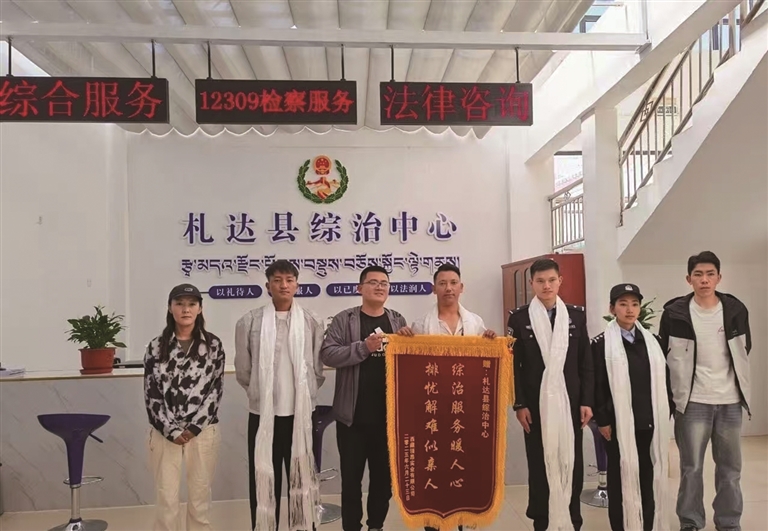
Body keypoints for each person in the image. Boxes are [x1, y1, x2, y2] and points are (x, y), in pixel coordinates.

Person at [397, 263, 495, 531]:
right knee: (434, 469)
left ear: (461, 287)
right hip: (433, 413)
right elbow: (412, 369)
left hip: (465, 411)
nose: (448, 288)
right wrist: (405, 339)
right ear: (434, 289)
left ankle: (463, 521)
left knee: (463, 466)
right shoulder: (421, 325)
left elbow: (484, 366)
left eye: (453, 283)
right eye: (442, 283)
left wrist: (489, 341)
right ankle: (434, 523)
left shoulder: (475, 323)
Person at [659, 251, 751, 531]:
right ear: (689, 279)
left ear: (719, 277)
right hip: (692, 402)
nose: (704, 280)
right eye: (698, 274)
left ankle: (729, 522)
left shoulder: (736, 310)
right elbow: (664, 357)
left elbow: (744, 348)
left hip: (730, 401)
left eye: (710, 274)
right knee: (691, 468)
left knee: (730, 470)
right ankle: (690, 521)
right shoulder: (674, 313)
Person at [234, 259, 326, 531]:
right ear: (268, 286)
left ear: (297, 285)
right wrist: (260, 393)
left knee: (302, 478)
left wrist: (305, 395)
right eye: (277, 280)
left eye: (289, 280)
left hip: (301, 416)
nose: (283, 285)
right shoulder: (249, 321)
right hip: (263, 416)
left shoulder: (311, 321)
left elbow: (317, 370)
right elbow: (243, 370)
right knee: (263, 480)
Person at [507, 258, 594, 531]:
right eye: (540, 281)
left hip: (571, 404)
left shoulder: (576, 316)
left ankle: (572, 521)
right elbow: (513, 367)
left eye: (551, 280)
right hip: (535, 406)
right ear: (531, 283)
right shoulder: (519, 318)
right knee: (539, 464)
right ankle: (542, 521)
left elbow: (585, 363)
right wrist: (519, 404)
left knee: (571, 463)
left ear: (560, 281)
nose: (546, 286)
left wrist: (587, 401)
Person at [321, 265, 408, 531]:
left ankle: (376, 526)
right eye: (373, 282)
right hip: (352, 419)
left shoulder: (397, 320)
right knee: (351, 482)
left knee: (383, 481)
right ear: (360, 288)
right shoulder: (344, 319)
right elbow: (328, 354)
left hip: (387, 419)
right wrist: (363, 347)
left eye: (384, 283)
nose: (379, 287)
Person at [592, 283, 674, 531]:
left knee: (648, 478)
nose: (629, 310)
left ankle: (647, 525)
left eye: (634, 304)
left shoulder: (653, 342)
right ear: (612, 309)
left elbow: (665, 381)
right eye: (623, 304)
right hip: (616, 426)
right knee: (620, 479)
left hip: (649, 423)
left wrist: (666, 412)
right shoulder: (601, 344)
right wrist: (603, 420)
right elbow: (597, 386)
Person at [144, 283, 225, 531]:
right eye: (179, 304)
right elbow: (152, 394)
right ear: (170, 308)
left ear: (200, 308)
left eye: (191, 304)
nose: (186, 309)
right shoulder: (156, 346)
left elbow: (215, 391)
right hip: (164, 433)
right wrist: (172, 430)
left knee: (199, 499)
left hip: (202, 432)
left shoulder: (213, 345)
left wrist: (193, 429)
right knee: (166, 499)